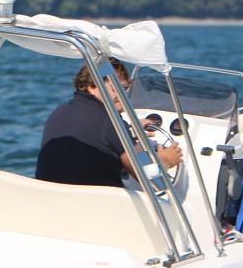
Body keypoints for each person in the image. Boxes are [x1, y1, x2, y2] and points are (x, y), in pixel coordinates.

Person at [36, 58, 183, 187]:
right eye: (116, 88)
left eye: (125, 89)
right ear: (92, 86)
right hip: (97, 209)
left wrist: (130, 132)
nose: (123, 96)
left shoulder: (60, 112)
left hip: (54, 204)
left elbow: (97, 140)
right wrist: (165, 161)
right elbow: (152, 180)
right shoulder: (112, 123)